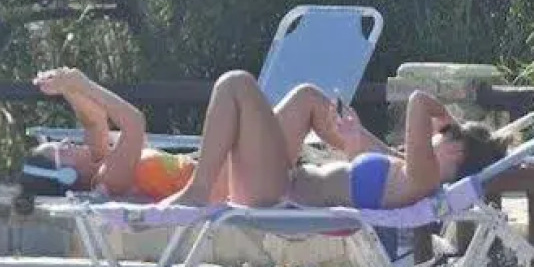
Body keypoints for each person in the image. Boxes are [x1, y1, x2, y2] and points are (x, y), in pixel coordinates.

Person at [156, 69, 513, 210]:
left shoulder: (425, 176)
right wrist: (355, 140)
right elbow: (383, 163)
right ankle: (208, 185)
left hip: (276, 193)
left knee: (236, 84)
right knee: (308, 96)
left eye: (443, 135)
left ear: (456, 149)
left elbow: (419, 101)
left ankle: (200, 189)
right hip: (287, 179)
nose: (434, 135)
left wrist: (444, 116)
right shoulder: (411, 174)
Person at [26, 67, 198, 200]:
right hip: (215, 186)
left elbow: (94, 121)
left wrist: (67, 88)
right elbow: (134, 123)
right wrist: (84, 85)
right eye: (60, 150)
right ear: (66, 176)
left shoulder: (98, 160)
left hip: (212, 174)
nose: (64, 141)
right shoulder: (108, 180)